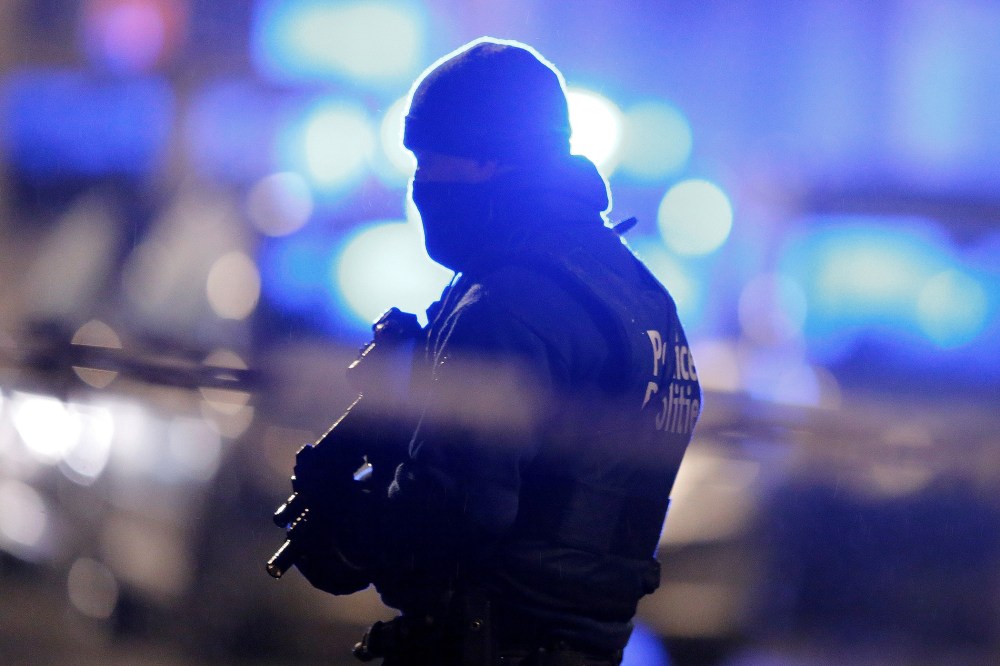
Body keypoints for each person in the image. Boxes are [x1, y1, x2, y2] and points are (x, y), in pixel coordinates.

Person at [289, 37, 702, 666]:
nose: (420, 184)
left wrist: (343, 520)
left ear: (493, 160)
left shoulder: (507, 306)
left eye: (432, 161)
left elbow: (448, 524)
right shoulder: (642, 296)